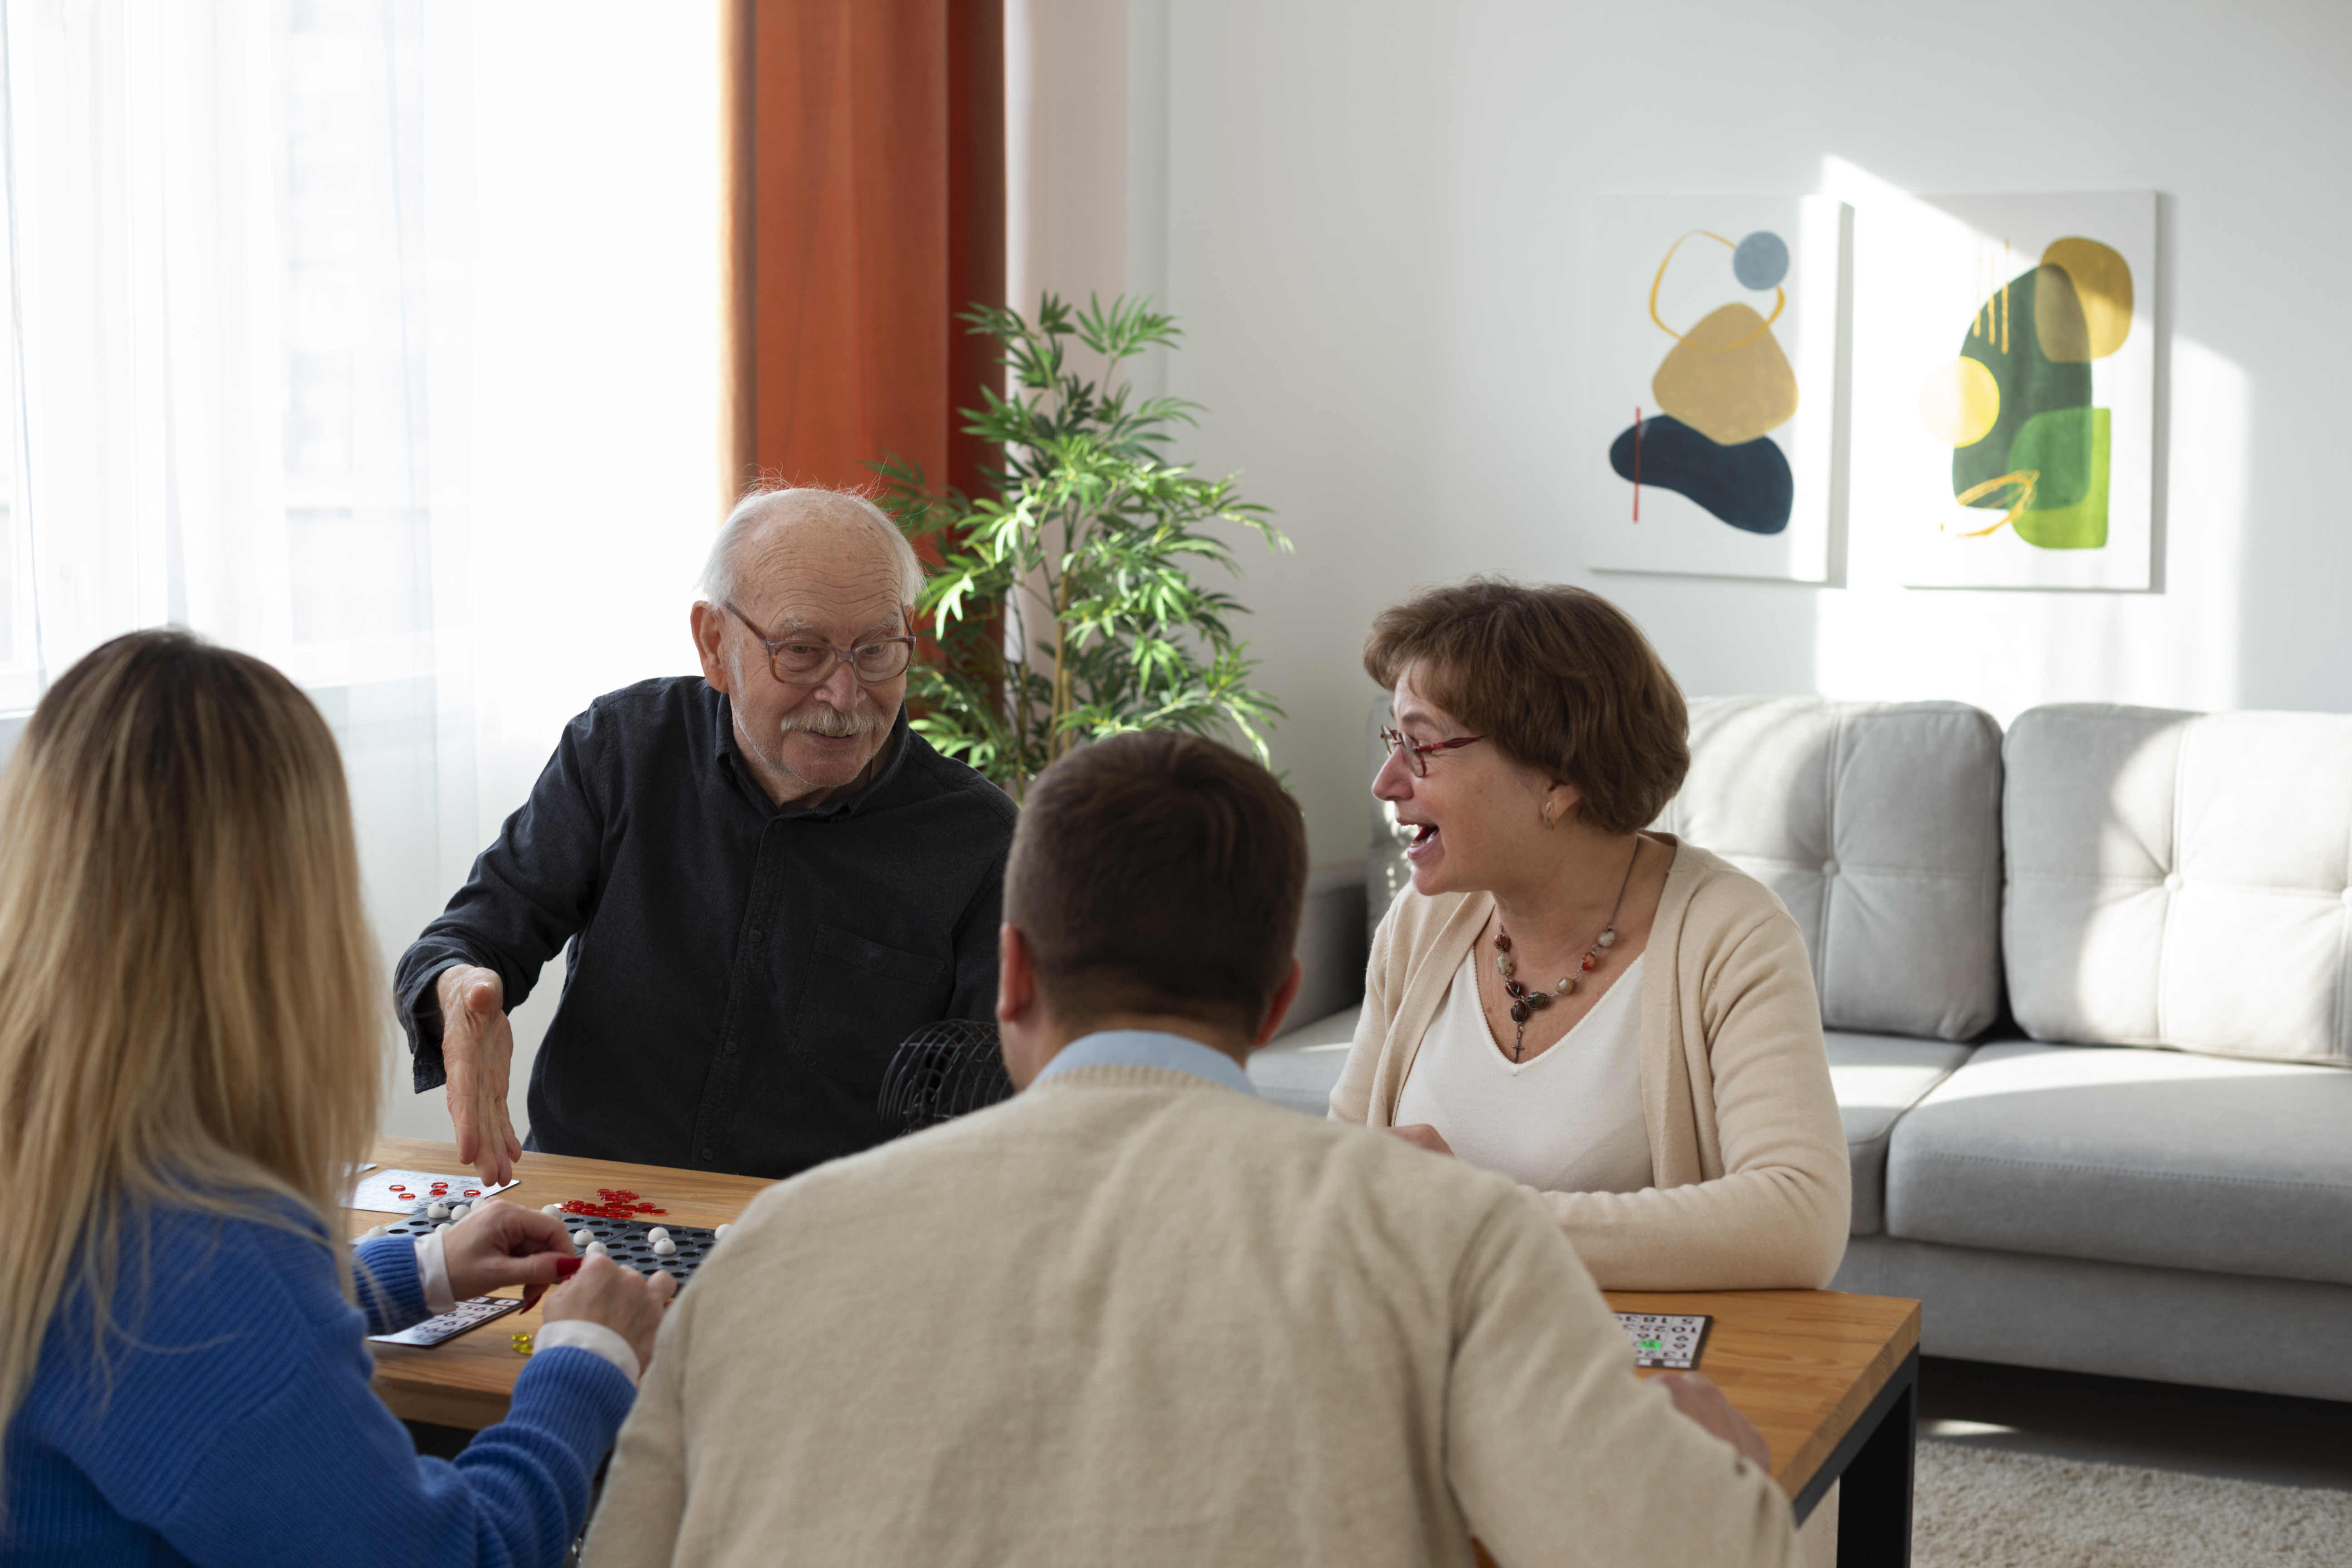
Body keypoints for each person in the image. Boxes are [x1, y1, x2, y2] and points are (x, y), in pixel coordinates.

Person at [579, 731, 1802, 1568]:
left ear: (1012, 976)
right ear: (1277, 1004)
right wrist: (1728, 1466)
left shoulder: (773, 1246)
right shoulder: (1446, 1237)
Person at [0, 630, 673, 1567]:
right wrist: (584, 1364)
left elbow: (172, 1367)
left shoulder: (66, 1183)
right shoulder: (194, 1266)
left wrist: (423, 1270)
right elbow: (459, 1554)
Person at [394, 486, 1018, 1185]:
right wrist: (460, 991)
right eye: (804, 651)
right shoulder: (622, 751)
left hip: (806, 1238)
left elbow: (990, 1123)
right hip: (586, 1211)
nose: (845, 695)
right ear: (715, 644)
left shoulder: (978, 842)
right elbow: (464, 941)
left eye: (875, 650)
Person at [1330, 578, 1849, 1290]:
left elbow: (1800, 1222)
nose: (1387, 781)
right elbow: (1343, 1174)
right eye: (1396, 740)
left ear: (1557, 778)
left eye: (1420, 745)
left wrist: (1479, 1221)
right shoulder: (1420, 927)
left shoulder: (1732, 934)